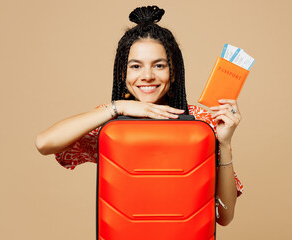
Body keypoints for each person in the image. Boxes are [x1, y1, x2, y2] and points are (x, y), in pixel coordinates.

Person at [35, 5, 243, 226]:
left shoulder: (199, 120)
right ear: (122, 73)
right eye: (135, 66)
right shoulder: (110, 121)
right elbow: (44, 143)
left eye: (159, 65)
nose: (147, 76)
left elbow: (224, 217)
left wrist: (225, 143)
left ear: (173, 72)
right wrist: (118, 107)